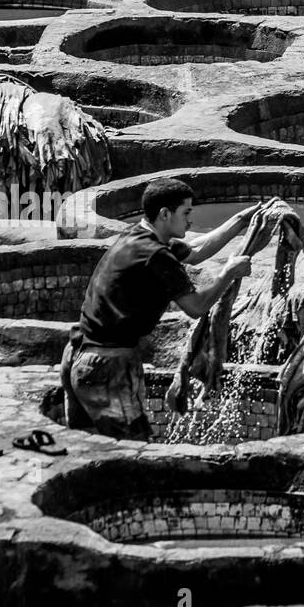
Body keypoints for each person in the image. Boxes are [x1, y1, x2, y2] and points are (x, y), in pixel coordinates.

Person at [60, 177, 255, 440]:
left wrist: (242, 220)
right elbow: (196, 307)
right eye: (186, 213)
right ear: (165, 214)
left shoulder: (138, 236)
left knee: (87, 448)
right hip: (107, 368)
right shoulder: (156, 256)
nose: (190, 221)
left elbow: (196, 250)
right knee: (134, 454)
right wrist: (228, 274)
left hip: (78, 353)